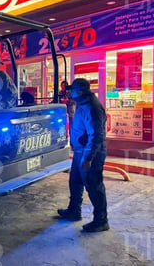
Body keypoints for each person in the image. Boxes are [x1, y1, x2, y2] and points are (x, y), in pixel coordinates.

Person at [57, 78, 109, 233]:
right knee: (75, 181)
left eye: (72, 90)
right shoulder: (82, 104)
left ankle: (101, 220)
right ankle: (74, 211)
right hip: (81, 151)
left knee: (93, 186)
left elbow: (97, 136)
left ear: (80, 91)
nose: (70, 92)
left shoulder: (92, 108)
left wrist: (88, 158)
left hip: (90, 153)